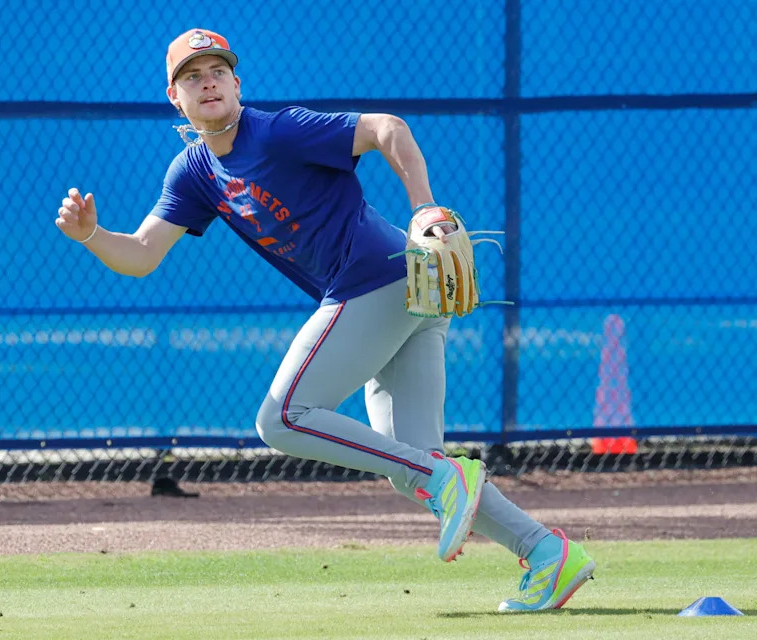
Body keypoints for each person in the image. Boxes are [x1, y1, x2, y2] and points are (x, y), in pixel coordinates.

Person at [55, 28, 595, 612]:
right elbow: (139, 255)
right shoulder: (193, 171)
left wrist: (424, 207)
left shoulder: (278, 130)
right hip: (400, 300)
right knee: (412, 465)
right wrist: (92, 236)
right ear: (174, 97)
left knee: (281, 418)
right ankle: (546, 553)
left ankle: (446, 480)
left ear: (237, 84)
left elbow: (388, 127)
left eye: (217, 71)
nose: (206, 81)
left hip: (381, 281)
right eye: (192, 76)